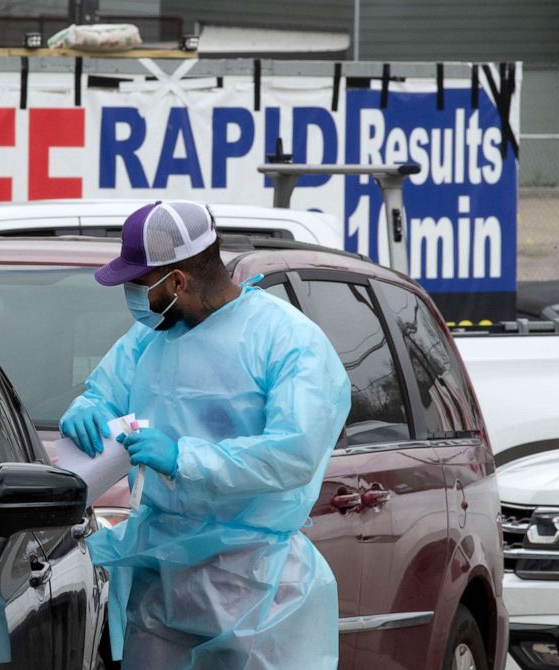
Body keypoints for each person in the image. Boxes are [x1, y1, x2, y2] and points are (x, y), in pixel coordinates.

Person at [58, 201, 351, 669]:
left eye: (138, 285)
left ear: (176, 281)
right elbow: (106, 393)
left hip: (256, 586)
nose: (133, 297)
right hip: (162, 578)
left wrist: (184, 459)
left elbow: (295, 451)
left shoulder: (288, 341)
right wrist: (89, 408)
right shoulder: (149, 337)